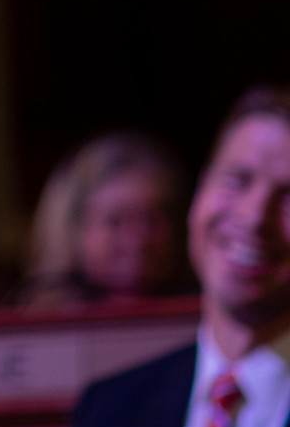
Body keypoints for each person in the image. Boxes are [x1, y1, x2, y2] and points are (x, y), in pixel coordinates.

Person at [58, 88, 290, 427]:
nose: (252, 216)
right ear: (201, 191)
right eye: (237, 179)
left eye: (289, 196)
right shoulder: (108, 412)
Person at [13, 131, 189, 308]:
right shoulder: (39, 324)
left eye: (153, 219)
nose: (138, 237)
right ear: (74, 227)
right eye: (116, 220)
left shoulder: (198, 314)